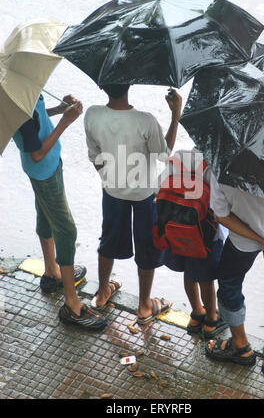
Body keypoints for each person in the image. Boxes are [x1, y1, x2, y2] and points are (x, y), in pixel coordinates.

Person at [84, 84, 182, 323]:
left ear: (101, 84)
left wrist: (110, 177)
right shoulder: (145, 121)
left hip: (112, 191)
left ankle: (102, 292)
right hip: (143, 196)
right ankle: (144, 305)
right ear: (129, 84)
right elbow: (163, 154)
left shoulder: (92, 114)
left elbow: (95, 156)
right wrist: (175, 114)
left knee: (108, 239)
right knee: (147, 246)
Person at [13, 93, 106, 330]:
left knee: (45, 214)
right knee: (66, 229)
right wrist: (66, 121)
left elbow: (38, 119)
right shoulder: (18, 104)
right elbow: (36, 152)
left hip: (46, 167)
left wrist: (58, 109)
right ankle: (72, 304)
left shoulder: (23, 91)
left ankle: (52, 272)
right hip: (43, 170)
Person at [205, 172, 264, 374]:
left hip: (241, 240)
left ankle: (241, 346)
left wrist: (261, 241)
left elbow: (222, 215)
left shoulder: (222, 166)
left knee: (229, 282)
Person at [157, 148, 228, 338]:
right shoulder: (213, 166)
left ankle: (196, 312)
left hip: (174, 230)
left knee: (189, 273)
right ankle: (212, 319)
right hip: (203, 234)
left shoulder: (178, 157)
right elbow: (219, 203)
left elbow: (158, 188)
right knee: (206, 278)